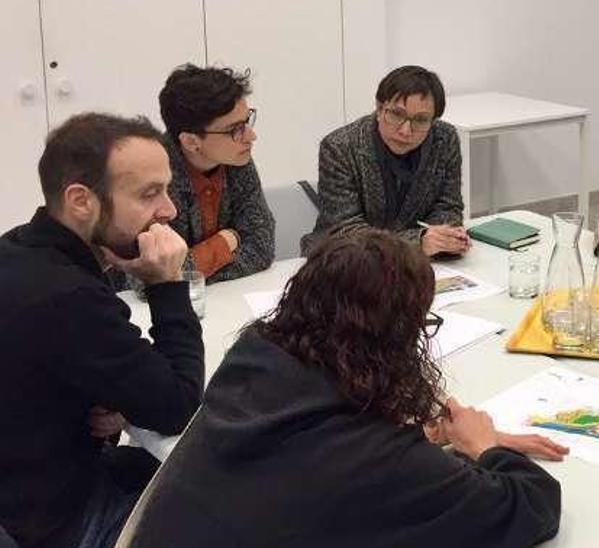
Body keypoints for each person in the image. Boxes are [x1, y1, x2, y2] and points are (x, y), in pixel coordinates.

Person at [127, 230, 564, 548]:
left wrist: (424, 431)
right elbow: (530, 506)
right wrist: (486, 447)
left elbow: (321, 442)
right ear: (395, 339)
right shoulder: (381, 460)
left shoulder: (251, 365)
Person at [0, 113, 204, 548]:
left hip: (30, 484)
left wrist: (114, 399)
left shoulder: (21, 248)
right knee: (232, 505)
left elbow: (67, 364)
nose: (168, 210)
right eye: (150, 194)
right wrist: (167, 285)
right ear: (81, 201)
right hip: (58, 520)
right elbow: (179, 406)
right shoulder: (64, 294)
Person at [300, 65, 469, 258]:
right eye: (396, 114)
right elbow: (346, 229)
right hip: (347, 261)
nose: (406, 131)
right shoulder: (340, 147)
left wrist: (444, 237)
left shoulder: (445, 139)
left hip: (421, 262)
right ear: (379, 109)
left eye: (421, 120)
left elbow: (448, 207)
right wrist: (417, 241)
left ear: (433, 121)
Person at [157, 64, 275, 283]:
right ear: (191, 141)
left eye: (246, 122)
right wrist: (227, 241)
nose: (251, 136)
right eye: (234, 130)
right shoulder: (153, 175)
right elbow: (152, 279)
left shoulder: (236, 159)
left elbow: (262, 247)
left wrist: (192, 267)